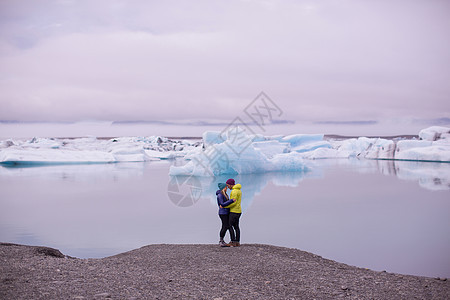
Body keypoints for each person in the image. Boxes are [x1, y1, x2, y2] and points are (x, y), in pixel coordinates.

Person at [216, 182, 236, 247]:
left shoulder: (224, 194)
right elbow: (222, 204)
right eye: (225, 187)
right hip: (223, 213)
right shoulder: (220, 195)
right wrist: (231, 201)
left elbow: (224, 204)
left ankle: (222, 241)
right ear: (223, 188)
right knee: (225, 226)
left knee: (225, 226)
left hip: (225, 212)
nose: (226, 188)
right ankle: (221, 241)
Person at [224, 178, 242, 247]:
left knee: (229, 225)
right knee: (236, 226)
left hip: (234, 211)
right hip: (239, 211)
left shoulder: (234, 191)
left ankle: (233, 241)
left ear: (231, 184)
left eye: (228, 185)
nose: (227, 187)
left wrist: (225, 206)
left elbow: (233, 203)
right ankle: (237, 242)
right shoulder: (239, 190)